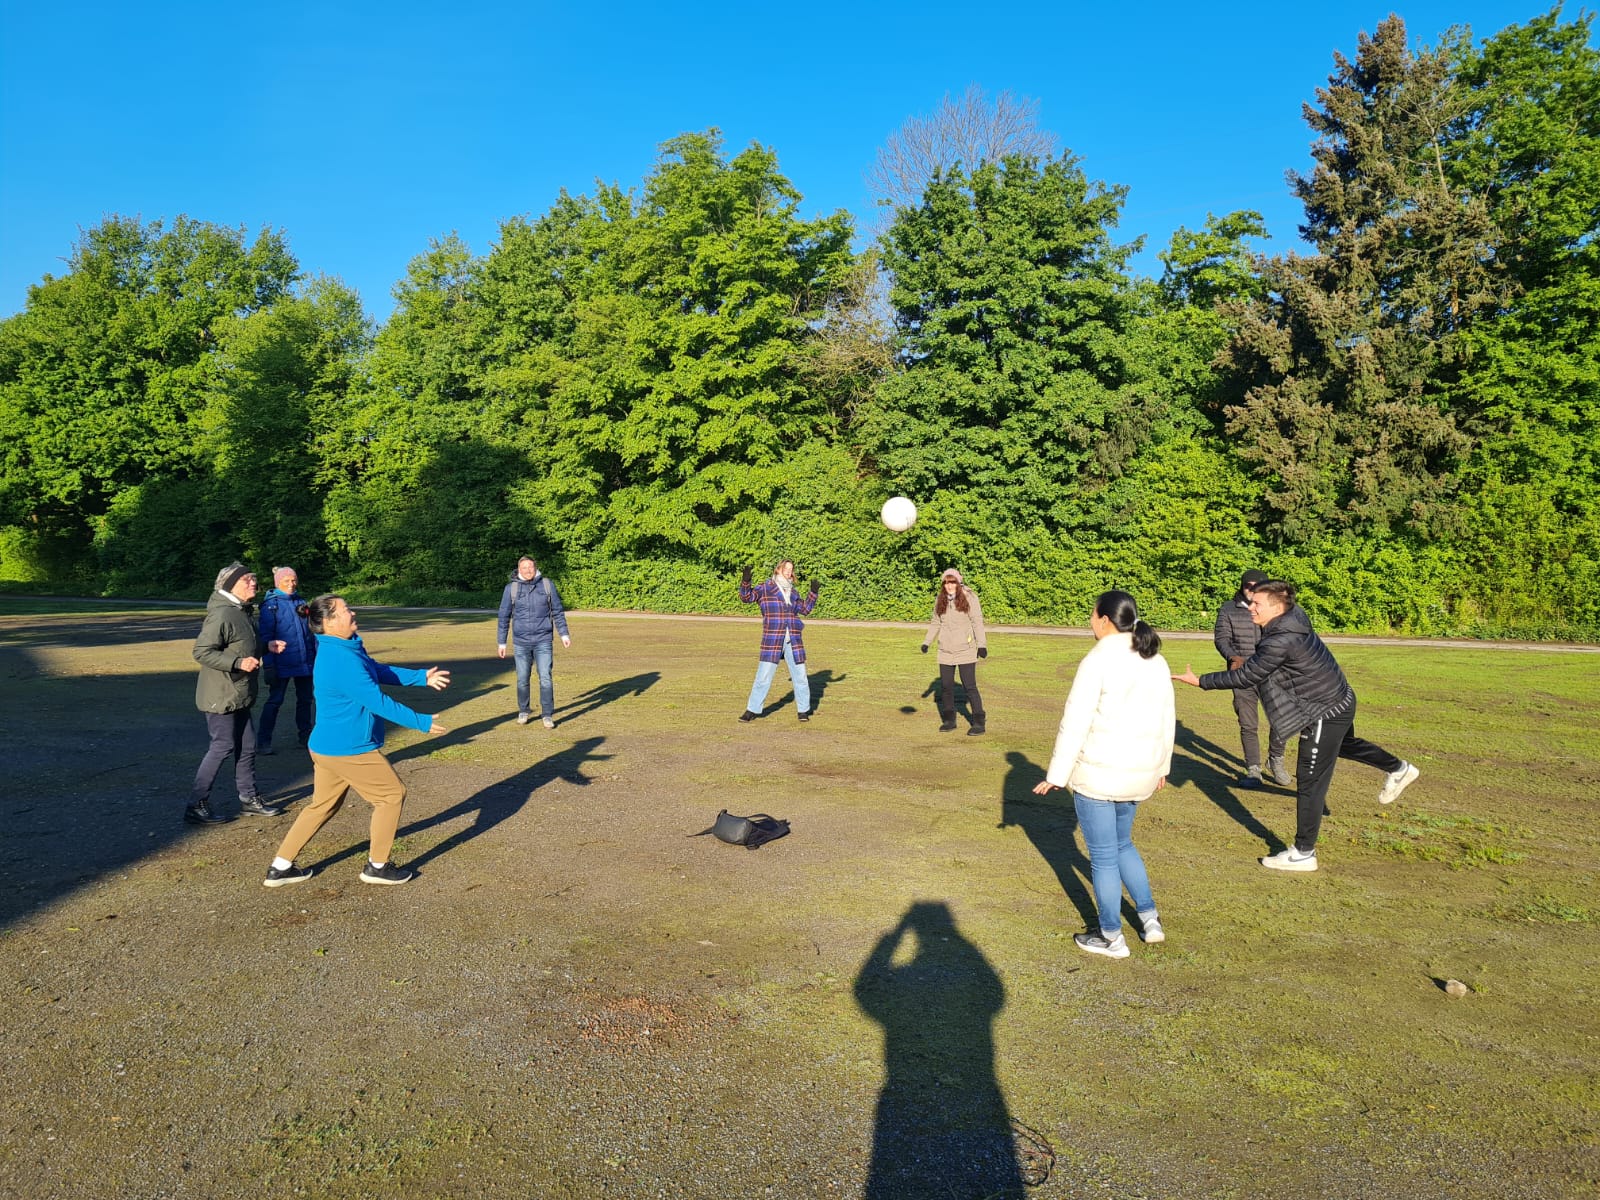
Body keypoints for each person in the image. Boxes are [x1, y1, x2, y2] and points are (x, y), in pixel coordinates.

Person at [1174, 580, 1421, 872]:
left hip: (1324, 710)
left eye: (1257, 604)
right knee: (1345, 745)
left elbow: (1247, 676)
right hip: (1341, 697)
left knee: (1310, 781)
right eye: (1251, 601)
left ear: (1276, 608)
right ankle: (1399, 768)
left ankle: (1304, 853)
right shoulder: (1293, 617)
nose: (1250, 607)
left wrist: (1201, 681)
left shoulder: (1281, 639)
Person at [263, 595, 450, 887]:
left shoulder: (345, 647)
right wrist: (421, 722)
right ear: (328, 622)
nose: (352, 612)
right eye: (346, 610)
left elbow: (375, 671)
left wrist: (420, 677)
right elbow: (376, 700)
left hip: (327, 747)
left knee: (322, 806)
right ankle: (377, 866)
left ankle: (280, 867)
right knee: (390, 795)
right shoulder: (338, 658)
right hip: (347, 748)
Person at [1032, 591, 1174, 959]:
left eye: (1092, 616)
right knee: (1122, 845)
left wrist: (1057, 774)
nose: (1090, 622)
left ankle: (1111, 937)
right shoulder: (1153, 657)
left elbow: (1075, 722)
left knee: (1105, 857)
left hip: (1100, 776)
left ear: (1105, 620)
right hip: (1138, 774)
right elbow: (1167, 719)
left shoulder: (1098, 659)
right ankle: (1150, 919)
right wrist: (1162, 767)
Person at [187, 561, 286, 824]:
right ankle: (196, 804)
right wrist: (237, 664)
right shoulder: (222, 614)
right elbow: (202, 651)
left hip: (239, 692)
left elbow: (242, 644)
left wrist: (267, 646)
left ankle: (249, 799)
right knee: (222, 746)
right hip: (220, 695)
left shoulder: (241, 611)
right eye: (247, 580)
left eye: (254, 579)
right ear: (232, 586)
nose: (254, 583)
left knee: (247, 746)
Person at [1214, 569, 1289, 786]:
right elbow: (1222, 638)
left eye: (1256, 586)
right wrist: (1232, 656)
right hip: (1242, 675)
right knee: (1248, 724)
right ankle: (1253, 769)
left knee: (1280, 720)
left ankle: (1276, 760)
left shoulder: (1276, 610)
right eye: (1248, 586)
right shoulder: (1229, 609)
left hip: (1273, 673)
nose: (1251, 590)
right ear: (1242, 586)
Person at [737, 560, 819, 722]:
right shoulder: (766, 588)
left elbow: (806, 610)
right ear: (778, 569)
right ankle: (752, 710)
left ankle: (803, 710)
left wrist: (813, 593)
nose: (789, 572)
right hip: (773, 638)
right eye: (786, 568)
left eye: (791, 569)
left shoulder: (793, 593)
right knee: (763, 676)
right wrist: (746, 581)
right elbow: (746, 597)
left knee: (801, 677)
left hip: (793, 639)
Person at [496, 556, 571, 728]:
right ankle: (524, 710)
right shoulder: (511, 589)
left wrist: (564, 634)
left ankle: (547, 714)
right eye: (524, 567)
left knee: (545, 677)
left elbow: (557, 611)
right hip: (521, 642)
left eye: (530, 567)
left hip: (543, 639)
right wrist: (502, 642)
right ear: (518, 570)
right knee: (522, 678)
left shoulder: (547, 585)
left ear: (535, 567)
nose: (528, 570)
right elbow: (503, 617)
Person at [920, 568, 988, 734]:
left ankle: (978, 722)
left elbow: (977, 622)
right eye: (946, 582)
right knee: (946, 686)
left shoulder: (970, 597)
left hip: (966, 649)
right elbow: (936, 622)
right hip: (945, 650)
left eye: (952, 582)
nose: (949, 586)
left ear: (958, 582)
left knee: (969, 686)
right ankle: (949, 720)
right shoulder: (940, 599)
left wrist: (982, 645)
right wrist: (927, 642)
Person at [257, 565, 315, 755]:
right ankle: (263, 741)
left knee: (306, 700)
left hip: (305, 661)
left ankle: (305, 737)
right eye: (287, 581)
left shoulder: (302, 602)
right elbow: (265, 638)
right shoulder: (270, 606)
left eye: (293, 580)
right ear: (278, 583)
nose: (291, 584)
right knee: (275, 701)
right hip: (281, 662)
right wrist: (269, 666)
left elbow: (312, 633)